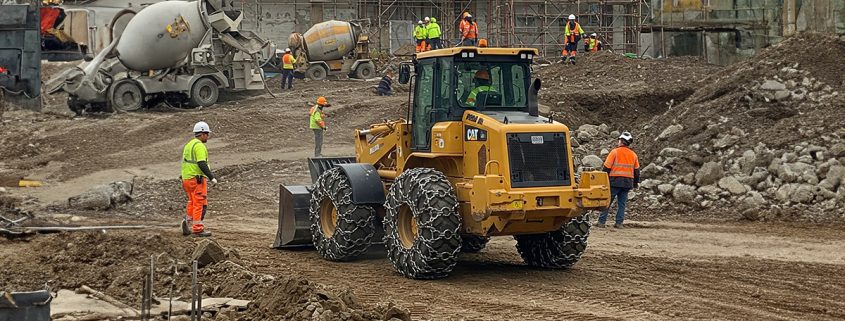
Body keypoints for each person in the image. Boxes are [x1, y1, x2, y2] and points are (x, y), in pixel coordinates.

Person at [180, 121, 217, 237]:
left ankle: (187, 223)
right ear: (202, 134)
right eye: (207, 134)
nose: (208, 136)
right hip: (197, 180)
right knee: (199, 204)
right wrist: (212, 177)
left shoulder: (189, 145)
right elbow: (201, 163)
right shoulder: (199, 146)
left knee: (191, 202)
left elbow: (185, 162)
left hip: (187, 179)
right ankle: (197, 229)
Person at [597, 132, 640, 229]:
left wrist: (603, 180)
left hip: (614, 181)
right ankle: (619, 223)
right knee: (622, 204)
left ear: (621, 141)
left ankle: (601, 222)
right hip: (627, 183)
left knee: (607, 202)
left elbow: (606, 168)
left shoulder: (614, 152)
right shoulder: (633, 155)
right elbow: (637, 171)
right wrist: (636, 183)